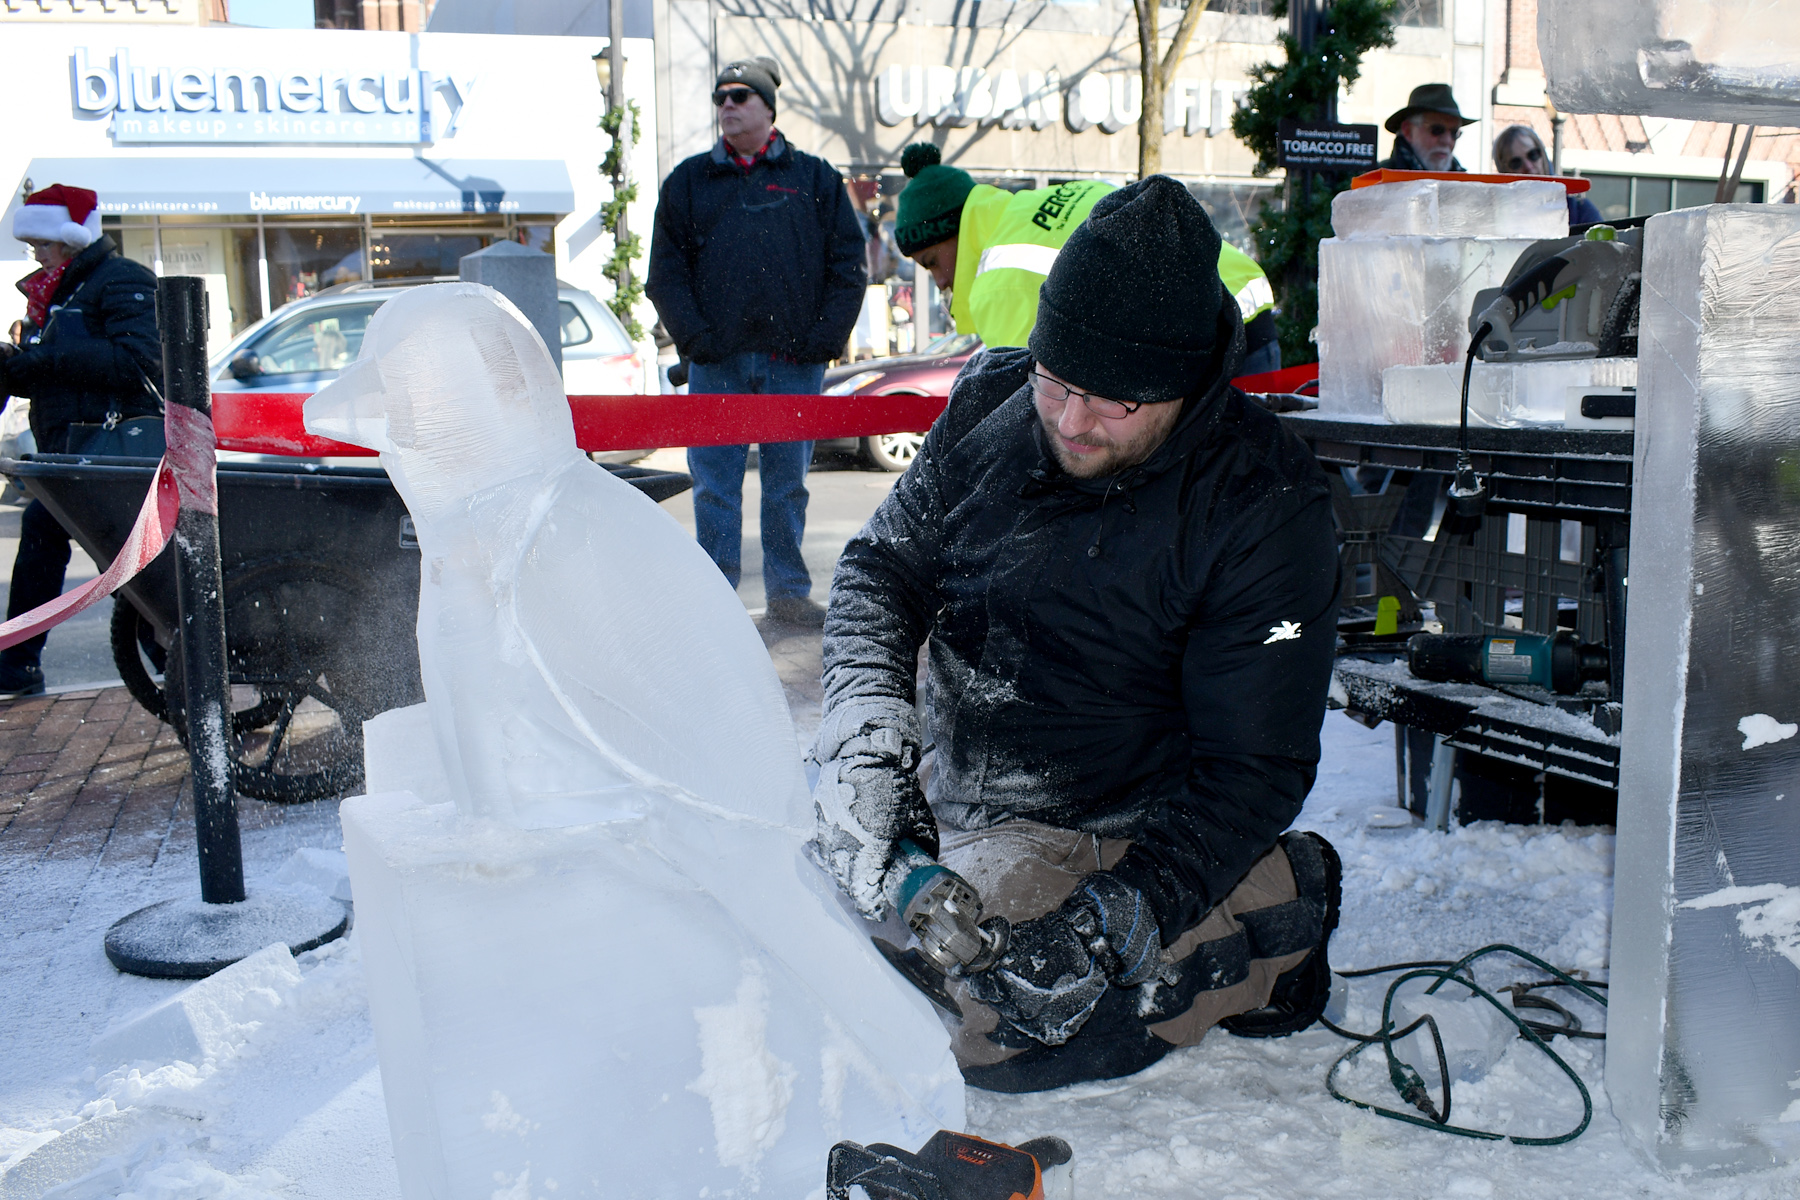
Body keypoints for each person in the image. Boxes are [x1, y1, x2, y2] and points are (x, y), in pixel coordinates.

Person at [809, 177, 1343, 1093]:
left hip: (1118, 820)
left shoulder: (1266, 505)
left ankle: (1271, 912)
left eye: (1112, 403)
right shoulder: (992, 401)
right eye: (1056, 382)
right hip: (958, 782)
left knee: (977, 1024)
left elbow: (1254, 766)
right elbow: (880, 570)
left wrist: (1123, 912)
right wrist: (869, 736)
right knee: (804, 920)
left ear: (1181, 383)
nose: (1067, 419)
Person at [646, 57, 867, 628]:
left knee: (786, 487)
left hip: (793, 364)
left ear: (769, 107)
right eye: (720, 96)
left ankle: (789, 596)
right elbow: (664, 273)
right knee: (714, 488)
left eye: (741, 95)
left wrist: (822, 341)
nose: (727, 104)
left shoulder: (816, 179)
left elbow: (849, 266)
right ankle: (716, 602)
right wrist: (696, 340)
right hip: (715, 365)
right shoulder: (688, 182)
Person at [894, 144, 1281, 374]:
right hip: (1241, 306)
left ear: (954, 232)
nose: (939, 279)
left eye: (930, 262)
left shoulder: (997, 281)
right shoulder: (1030, 207)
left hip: (1203, 344)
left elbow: (1029, 402)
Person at [0, 184, 162, 697]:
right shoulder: (61, 293)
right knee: (106, 555)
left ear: (71, 240)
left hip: (108, 451)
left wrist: (42, 361)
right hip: (73, 450)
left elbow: (141, 364)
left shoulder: (120, 280)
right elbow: (63, 376)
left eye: (42, 245)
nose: (35, 255)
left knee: (106, 553)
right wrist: (18, 367)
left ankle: (18, 662)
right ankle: (173, 652)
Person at [1493, 123, 1604, 226]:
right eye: (1516, 162)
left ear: (1543, 155)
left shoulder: (1579, 210)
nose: (1528, 166)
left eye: (1533, 155)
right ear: (1503, 169)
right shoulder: (1496, 217)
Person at [1378, 83, 1473, 173]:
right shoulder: (1377, 183)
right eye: (1437, 130)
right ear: (1408, 131)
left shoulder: (1464, 186)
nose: (1447, 141)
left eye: (1454, 132)